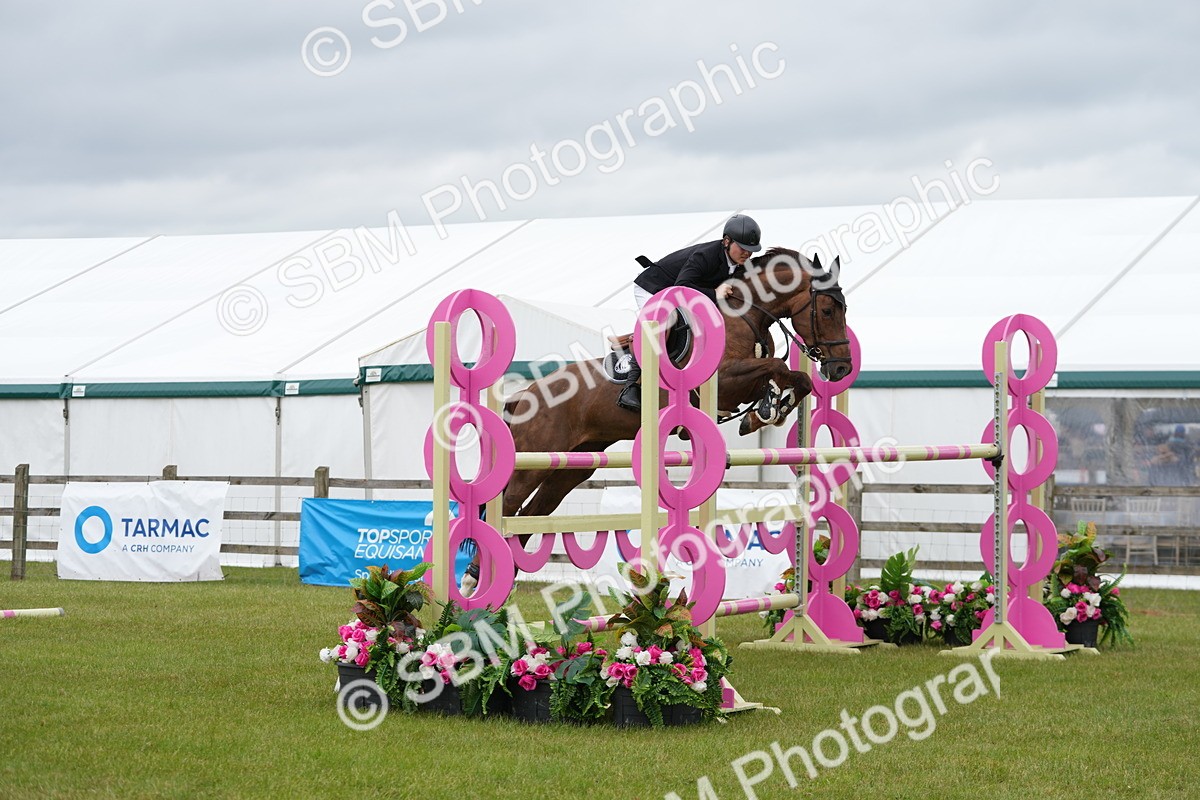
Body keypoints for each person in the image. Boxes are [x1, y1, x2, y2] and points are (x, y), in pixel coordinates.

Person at [616, 214, 762, 411]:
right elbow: (682, 286)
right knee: (666, 321)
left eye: (751, 250)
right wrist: (714, 293)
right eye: (743, 248)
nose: (747, 254)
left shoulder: (737, 263)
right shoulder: (707, 255)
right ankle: (630, 387)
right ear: (727, 241)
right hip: (653, 287)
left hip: (678, 292)